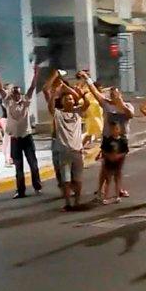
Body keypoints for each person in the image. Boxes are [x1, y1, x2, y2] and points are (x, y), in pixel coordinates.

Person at [80, 75, 136, 197]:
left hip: (122, 140)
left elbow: (130, 115)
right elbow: (95, 92)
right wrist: (87, 79)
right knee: (106, 167)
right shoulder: (106, 104)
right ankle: (100, 190)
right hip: (108, 138)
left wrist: (120, 103)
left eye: (116, 94)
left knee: (119, 167)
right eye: (112, 94)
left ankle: (119, 189)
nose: (113, 96)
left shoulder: (127, 106)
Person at [0, 64, 42, 199]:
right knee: (18, 166)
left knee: (33, 164)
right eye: (13, 92)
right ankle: (20, 191)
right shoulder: (8, 102)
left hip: (26, 137)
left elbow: (32, 87)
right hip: (15, 138)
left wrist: (36, 73)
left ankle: (37, 186)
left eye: (17, 92)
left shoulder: (26, 100)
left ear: (20, 94)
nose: (15, 94)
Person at [45, 73, 90, 211]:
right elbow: (51, 107)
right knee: (66, 179)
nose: (69, 100)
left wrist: (80, 95)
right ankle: (67, 203)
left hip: (77, 150)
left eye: (71, 99)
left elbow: (86, 104)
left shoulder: (77, 112)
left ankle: (77, 201)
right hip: (63, 151)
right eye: (66, 99)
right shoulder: (58, 114)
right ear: (62, 102)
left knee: (78, 179)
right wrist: (55, 93)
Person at [99, 121, 129, 204]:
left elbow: (125, 151)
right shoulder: (107, 140)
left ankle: (117, 196)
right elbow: (103, 150)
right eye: (112, 129)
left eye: (116, 129)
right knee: (108, 180)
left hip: (118, 163)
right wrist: (109, 156)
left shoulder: (123, 140)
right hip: (109, 163)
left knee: (117, 179)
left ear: (119, 130)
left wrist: (118, 156)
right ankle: (105, 197)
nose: (114, 131)